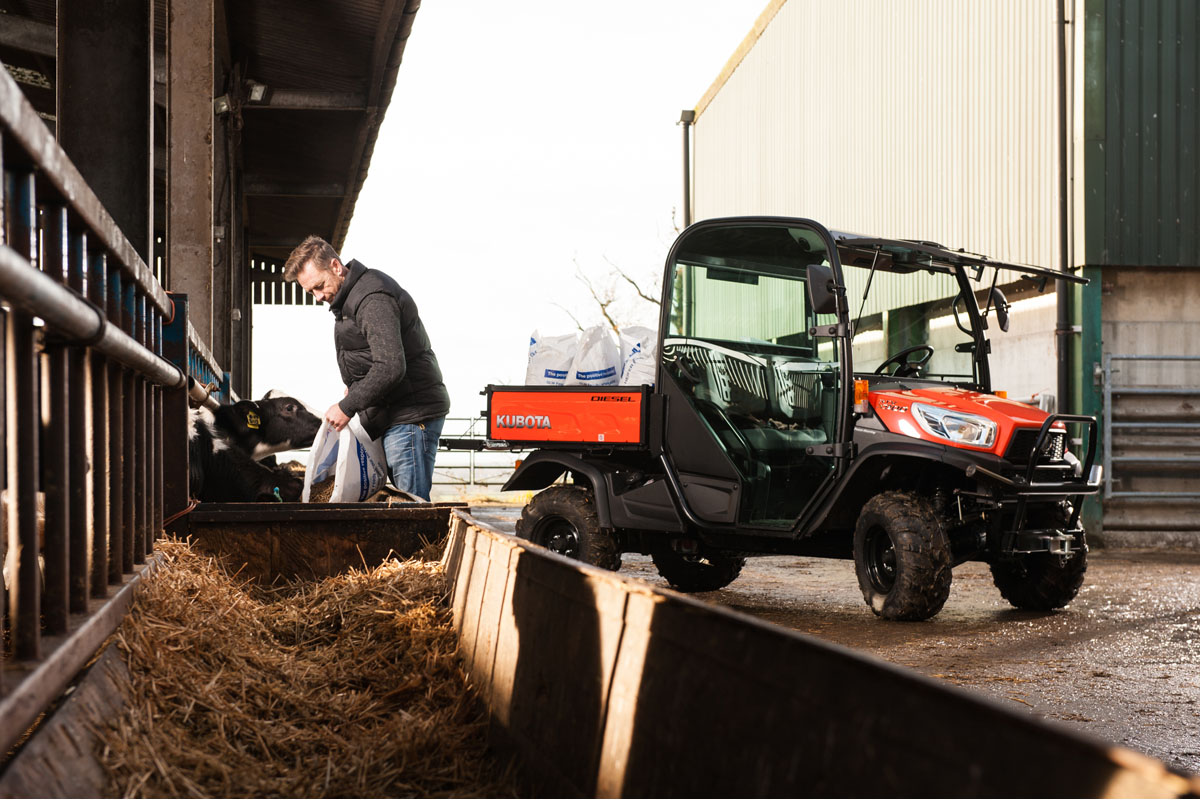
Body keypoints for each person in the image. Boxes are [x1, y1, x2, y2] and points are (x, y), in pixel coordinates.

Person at [283, 235, 450, 501]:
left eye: (318, 286)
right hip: (391, 413)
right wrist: (356, 389)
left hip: (409, 415)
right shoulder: (349, 299)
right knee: (398, 501)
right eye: (310, 292)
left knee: (410, 504)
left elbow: (391, 366)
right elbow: (370, 356)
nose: (317, 297)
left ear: (336, 267)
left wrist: (347, 407)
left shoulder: (372, 299)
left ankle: (417, 542)